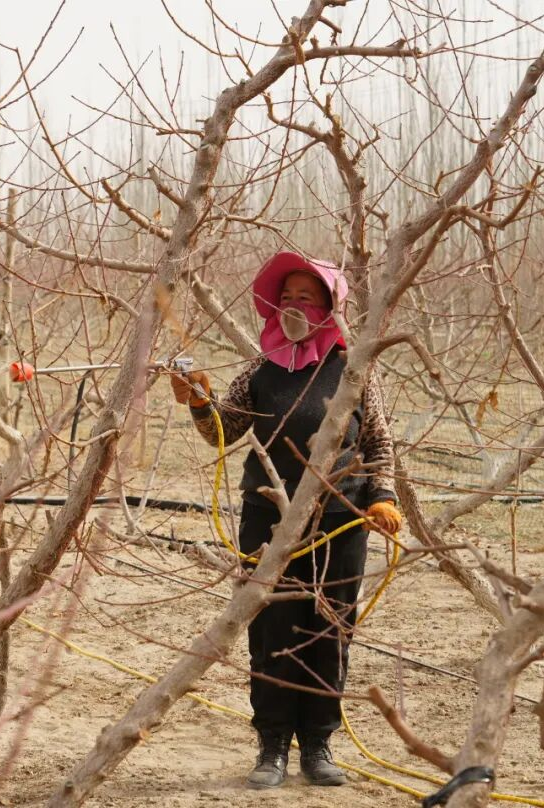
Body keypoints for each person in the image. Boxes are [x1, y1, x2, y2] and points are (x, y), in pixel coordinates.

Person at [169, 251, 402, 789]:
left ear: (331, 307)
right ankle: (271, 744)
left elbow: (378, 442)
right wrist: (199, 402)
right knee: (271, 627)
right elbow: (224, 432)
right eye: (288, 297)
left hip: (339, 518)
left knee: (330, 627)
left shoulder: (353, 369)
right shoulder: (261, 368)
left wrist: (383, 497)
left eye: (308, 297)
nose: (295, 307)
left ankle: (318, 743)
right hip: (267, 519)